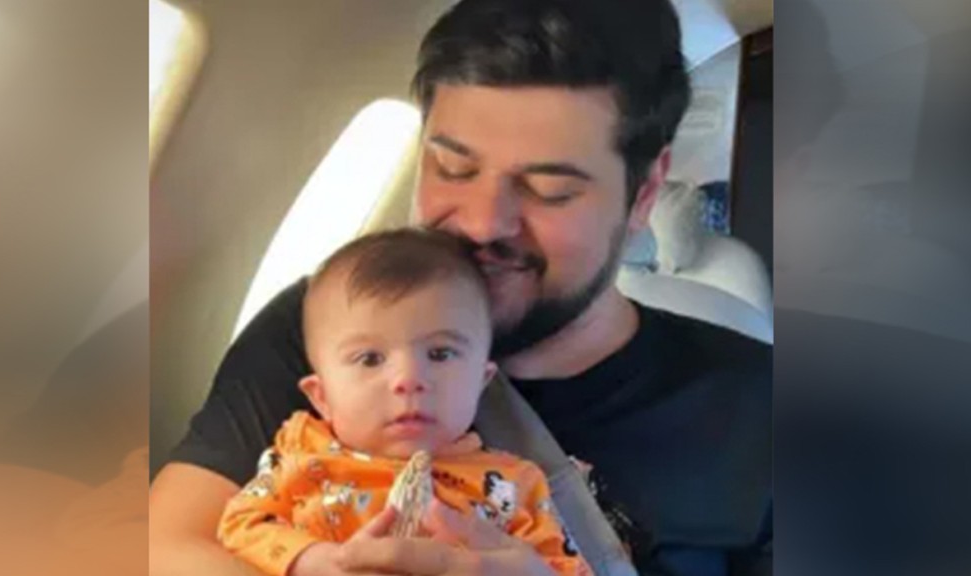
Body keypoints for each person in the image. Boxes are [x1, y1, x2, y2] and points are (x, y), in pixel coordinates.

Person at [150, 1, 772, 575]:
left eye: (549, 190)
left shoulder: (763, 410)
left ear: (644, 193)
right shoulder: (332, 324)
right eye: (453, 167)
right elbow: (166, 544)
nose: (482, 223)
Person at [216, 229, 591, 576]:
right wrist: (313, 561)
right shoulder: (303, 451)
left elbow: (568, 567)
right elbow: (241, 523)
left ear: (482, 380)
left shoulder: (515, 483)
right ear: (322, 396)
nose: (409, 379)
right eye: (370, 359)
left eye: (440, 354)